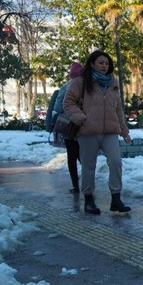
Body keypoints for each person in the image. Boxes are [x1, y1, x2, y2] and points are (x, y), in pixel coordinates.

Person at [62, 50, 132, 215]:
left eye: (107, 63)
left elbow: (117, 109)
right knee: (88, 166)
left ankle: (116, 198)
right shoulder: (80, 81)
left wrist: (124, 130)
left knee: (116, 162)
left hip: (110, 131)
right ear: (92, 63)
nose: (104, 66)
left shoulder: (112, 83)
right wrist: (80, 117)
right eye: (101, 63)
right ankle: (88, 200)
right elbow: (68, 102)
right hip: (88, 130)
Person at [52, 62, 83, 193]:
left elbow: (58, 107)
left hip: (70, 128)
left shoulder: (66, 86)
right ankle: (88, 183)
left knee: (72, 157)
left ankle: (75, 185)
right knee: (83, 157)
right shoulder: (86, 87)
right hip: (83, 125)